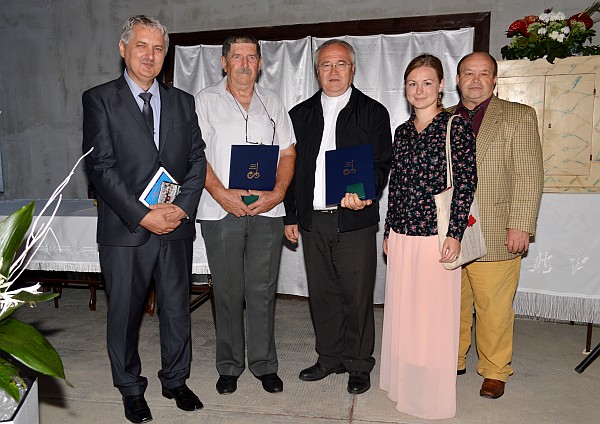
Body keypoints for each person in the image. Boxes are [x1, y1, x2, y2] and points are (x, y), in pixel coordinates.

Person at [82, 15, 206, 424]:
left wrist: (182, 208)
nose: (150, 55)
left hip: (175, 226)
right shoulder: (99, 99)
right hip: (126, 229)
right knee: (124, 314)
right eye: (141, 46)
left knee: (176, 309)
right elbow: (101, 168)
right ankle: (131, 389)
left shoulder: (182, 101)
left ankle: (175, 379)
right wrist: (142, 215)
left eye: (157, 48)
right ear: (123, 49)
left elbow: (196, 160)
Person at [284, 39, 392, 395]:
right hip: (313, 220)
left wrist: (365, 194)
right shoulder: (299, 115)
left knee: (357, 294)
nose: (333, 71)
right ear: (317, 71)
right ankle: (329, 356)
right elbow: (290, 170)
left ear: (353, 68)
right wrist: (290, 214)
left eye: (341, 64)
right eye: (326, 65)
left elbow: (380, 165)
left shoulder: (373, 112)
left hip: (354, 221)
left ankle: (359, 363)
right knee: (323, 293)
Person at [194, 35, 296, 395]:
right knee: (227, 291)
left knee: (263, 290)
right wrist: (222, 195)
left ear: (260, 63)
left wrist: (280, 193)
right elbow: (196, 156)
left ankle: (264, 364)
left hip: (269, 210)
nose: (244, 63)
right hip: (221, 211)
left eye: (251, 57)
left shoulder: (273, 102)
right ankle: (229, 366)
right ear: (224, 62)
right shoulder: (206, 101)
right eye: (237, 56)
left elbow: (287, 153)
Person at [379, 54, 477, 419]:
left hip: (436, 236)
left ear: (440, 87)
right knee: (405, 313)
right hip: (403, 235)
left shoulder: (455, 126)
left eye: (426, 83)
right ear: (405, 89)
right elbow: (397, 185)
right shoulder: (402, 132)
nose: (419, 90)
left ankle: (430, 392)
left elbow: (466, 184)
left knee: (432, 317)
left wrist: (454, 235)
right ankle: (406, 382)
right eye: (412, 84)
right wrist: (388, 229)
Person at [452, 51, 544, 399]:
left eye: (483, 74)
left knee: (493, 307)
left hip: (495, 229)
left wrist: (521, 224)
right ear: (458, 79)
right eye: (468, 73)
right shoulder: (442, 118)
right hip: (450, 232)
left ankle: (494, 370)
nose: (475, 80)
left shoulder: (518, 116)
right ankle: (453, 358)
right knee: (452, 304)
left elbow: (529, 175)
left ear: (494, 79)